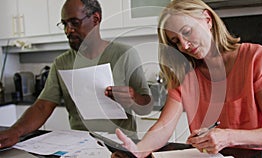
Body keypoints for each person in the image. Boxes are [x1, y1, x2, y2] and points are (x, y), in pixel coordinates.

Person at [115, 0, 262, 157]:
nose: (184, 46)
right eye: (176, 41)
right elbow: (164, 127)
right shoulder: (184, 74)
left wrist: (227, 136)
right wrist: (138, 150)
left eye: (187, 32)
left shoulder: (256, 58)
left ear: (208, 19)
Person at [0, 0, 153, 149]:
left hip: (121, 144)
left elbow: (145, 107)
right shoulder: (61, 63)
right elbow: (42, 107)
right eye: (65, 24)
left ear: (96, 19)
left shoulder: (125, 54)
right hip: (80, 145)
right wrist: (15, 132)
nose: (68, 30)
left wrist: (133, 98)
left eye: (74, 23)